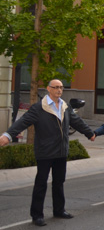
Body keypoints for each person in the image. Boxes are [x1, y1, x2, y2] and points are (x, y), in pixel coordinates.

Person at [0, 79, 95, 227]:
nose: (59, 90)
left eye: (61, 87)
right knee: (41, 184)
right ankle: (37, 215)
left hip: (61, 151)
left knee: (59, 182)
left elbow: (76, 121)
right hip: (45, 151)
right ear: (48, 89)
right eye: (56, 87)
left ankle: (59, 210)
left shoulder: (64, 106)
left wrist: (89, 133)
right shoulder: (39, 108)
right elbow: (23, 121)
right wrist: (8, 135)